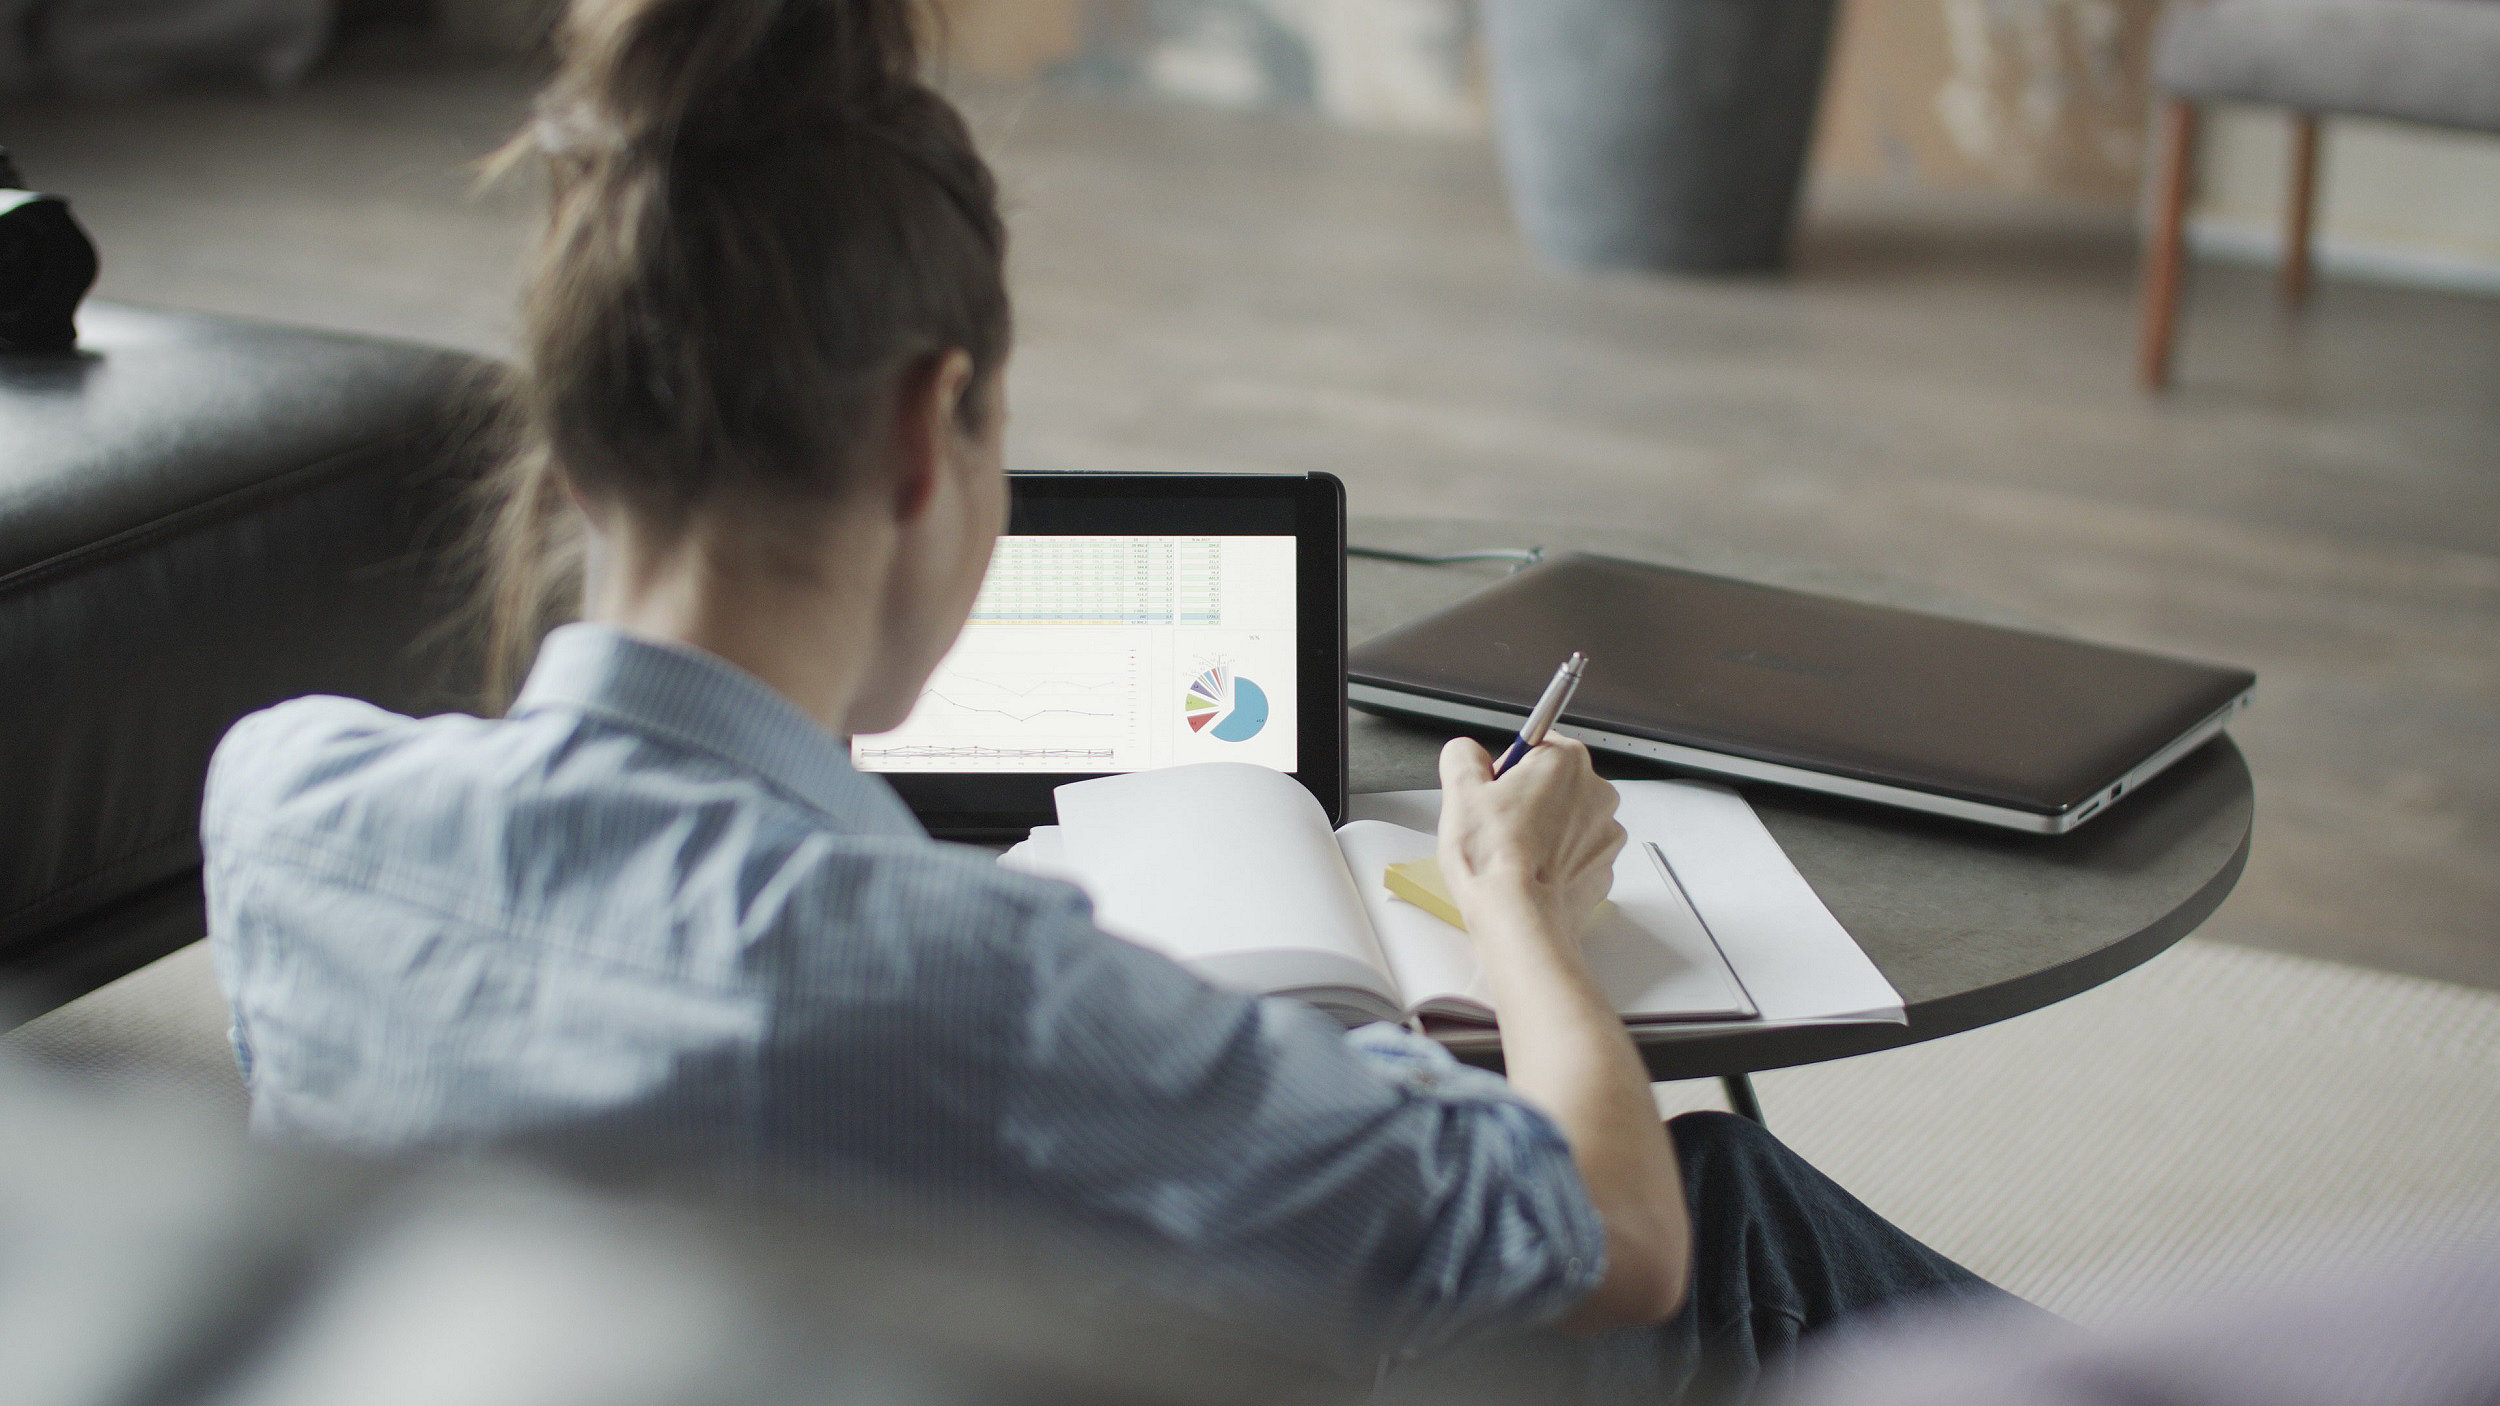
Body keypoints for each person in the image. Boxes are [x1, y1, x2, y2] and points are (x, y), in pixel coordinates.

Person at [199, 0, 2018, 1397]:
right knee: (1725, 1214)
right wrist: (1515, 912)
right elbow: (1610, 1244)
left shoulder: (280, 808)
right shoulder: (973, 983)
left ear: (578, 442)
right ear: (932, 431)